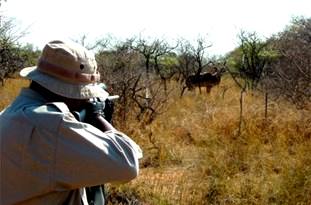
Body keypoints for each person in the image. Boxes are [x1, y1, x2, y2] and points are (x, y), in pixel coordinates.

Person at [0, 40, 143, 205]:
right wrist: (98, 116)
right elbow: (127, 164)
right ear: (67, 91)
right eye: (84, 94)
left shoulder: (8, 114)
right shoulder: (53, 125)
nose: (85, 99)